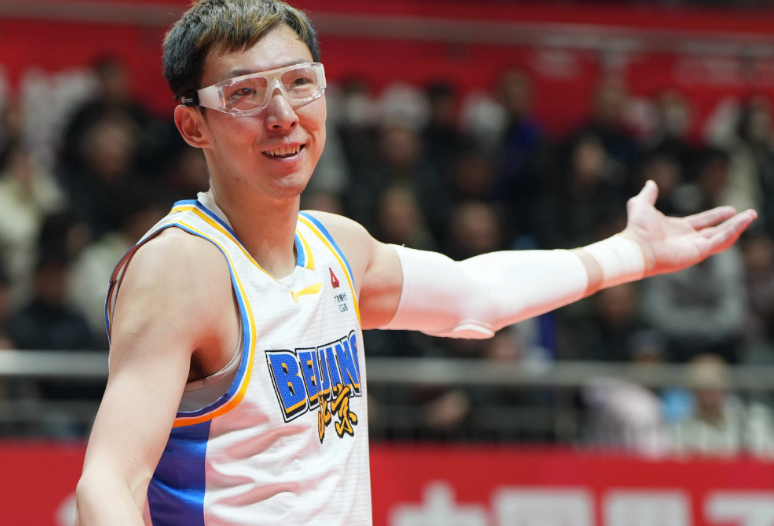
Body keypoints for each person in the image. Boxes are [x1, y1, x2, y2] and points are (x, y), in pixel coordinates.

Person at [75, 1, 757, 525]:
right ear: (193, 124)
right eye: (245, 94)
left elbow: (477, 296)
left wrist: (631, 252)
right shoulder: (183, 267)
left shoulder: (336, 248)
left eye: (300, 83)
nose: (282, 114)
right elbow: (108, 483)